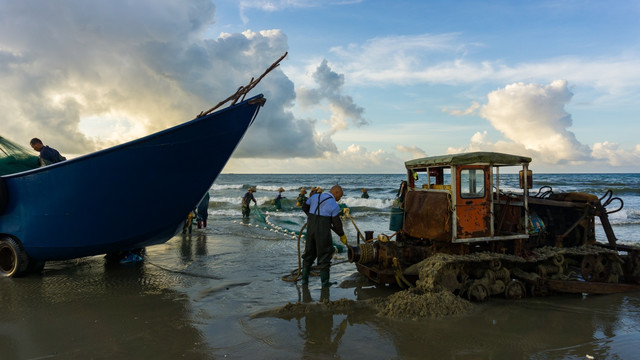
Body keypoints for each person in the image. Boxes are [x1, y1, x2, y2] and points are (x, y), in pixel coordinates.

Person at [301, 185, 347, 287]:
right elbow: (337, 224)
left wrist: (312, 217)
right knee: (325, 254)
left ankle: (304, 280)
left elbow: (304, 206)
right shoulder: (334, 205)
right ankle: (325, 283)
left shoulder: (314, 197)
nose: (340, 199)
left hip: (310, 229)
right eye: (340, 196)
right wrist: (342, 235)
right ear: (336, 193)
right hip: (323, 232)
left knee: (309, 253)